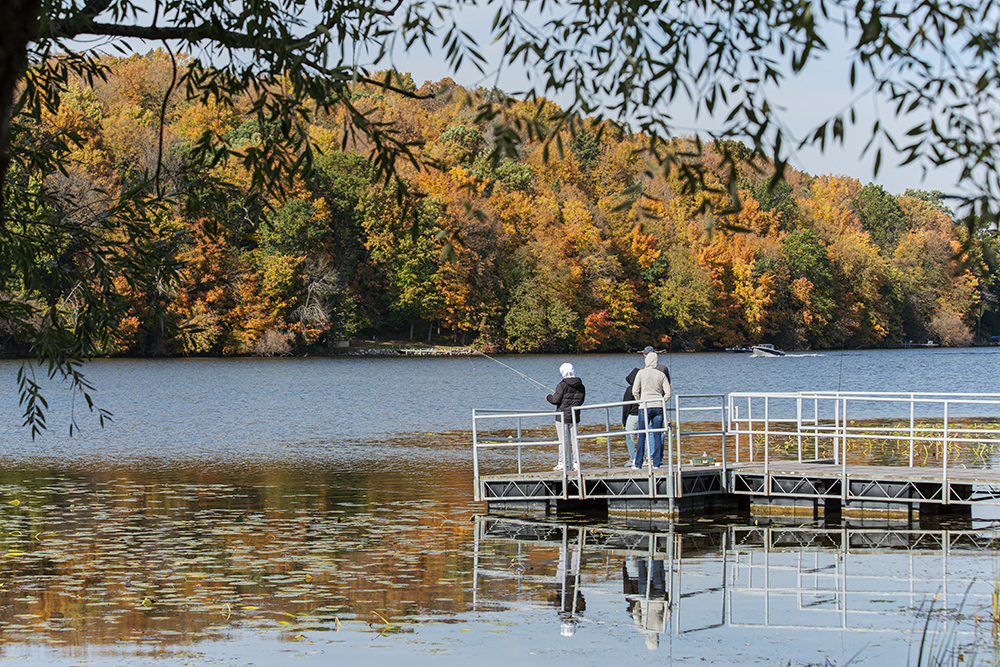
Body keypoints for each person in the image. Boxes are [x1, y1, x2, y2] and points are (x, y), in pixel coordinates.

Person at [622, 346, 672, 466]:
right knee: (657, 435)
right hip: (658, 407)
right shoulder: (661, 374)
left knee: (642, 435)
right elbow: (669, 393)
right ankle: (656, 462)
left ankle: (638, 463)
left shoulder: (641, 373)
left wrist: (640, 402)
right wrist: (662, 401)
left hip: (644, 407)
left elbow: (635, 391)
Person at [547, 362, 585, 471]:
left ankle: (562, 463)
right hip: (574, 416)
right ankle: (576, 463)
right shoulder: (581, 385)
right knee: (575, 440)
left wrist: (548, 397)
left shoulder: (562, 385)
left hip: (562, 417)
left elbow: (555, 400)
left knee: (563, 441)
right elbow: (581, 401)